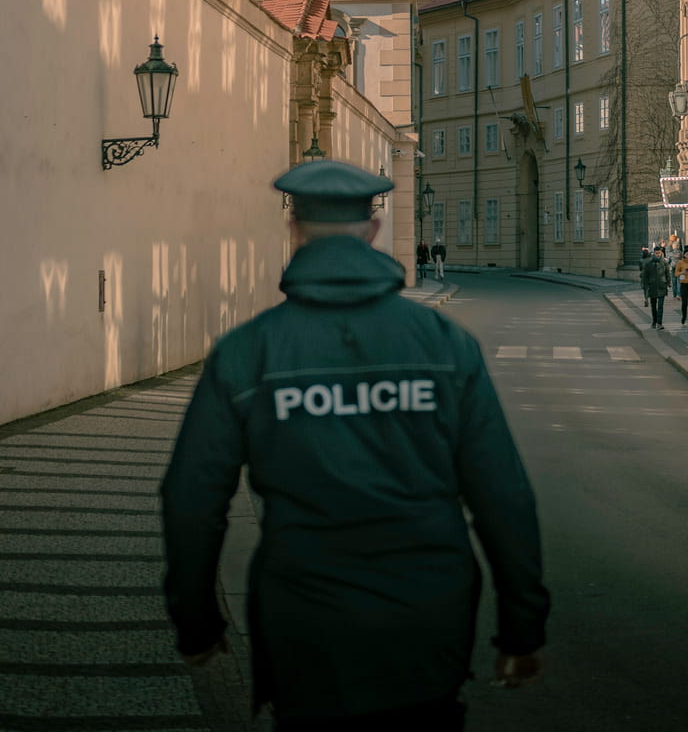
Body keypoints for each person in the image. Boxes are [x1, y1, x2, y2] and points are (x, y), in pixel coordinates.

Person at [161, 159, 549, 730]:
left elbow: (192, 499)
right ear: (372, 229)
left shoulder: (250, 352)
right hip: (427, 610)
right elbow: (502, 496)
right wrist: (522, 628)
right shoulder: (444, 345)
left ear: (294, 228)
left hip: (305, 612)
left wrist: (196, 622)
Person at [641, 245, 671, 330]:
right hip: (653, 286)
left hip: (662, 286)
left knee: (660, 306)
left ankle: (659, 322)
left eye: (659, 253)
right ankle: (654, 321)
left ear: (661, 253)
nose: (658, 254)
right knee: (653, 306)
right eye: (656, 253)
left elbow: (667, 273)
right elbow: (645, 276)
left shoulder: (664, 263)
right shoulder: (649, 263)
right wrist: (645, 286)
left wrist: (668, 282)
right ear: (654, 253)